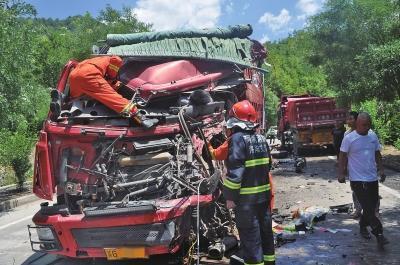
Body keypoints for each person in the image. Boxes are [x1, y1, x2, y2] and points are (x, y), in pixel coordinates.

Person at [209, 100, 275, 265]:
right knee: (265, 235)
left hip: (247, 203)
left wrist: (229, 198)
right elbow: (268, 165)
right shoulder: (260, 138)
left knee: (251, 239)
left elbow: (235, 175)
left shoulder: (237, 139)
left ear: (235, 120)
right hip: (263, 199)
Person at [338, 112, 389, 248]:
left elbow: (377, 153)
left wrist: (382, 169)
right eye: (363, 125)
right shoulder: (349, 138)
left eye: (368, 125)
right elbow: (342, 155)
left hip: (372, 178)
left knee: (370, 208)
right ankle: (379, 234)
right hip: (357, 180)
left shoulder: (372, 136)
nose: (366, 127)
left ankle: (362, 226)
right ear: (357, 124)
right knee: (368, 208)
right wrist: (341, 173)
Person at [69, 56, 158, 128]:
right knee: (114, 98)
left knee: (76, 99)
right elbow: (116, 61)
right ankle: (142, 119)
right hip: (89, 75)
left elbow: (106, 80)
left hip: (74, 75)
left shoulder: (97, 59)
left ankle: (70, 115)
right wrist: (113, 76)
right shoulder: (114, 59)